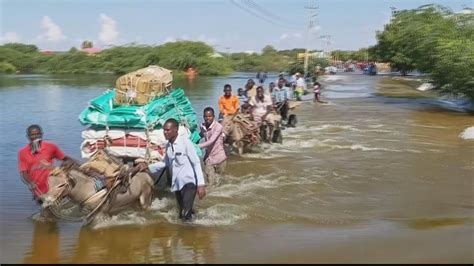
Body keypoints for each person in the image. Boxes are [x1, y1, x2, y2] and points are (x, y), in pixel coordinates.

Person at [135, 119, 206, 222]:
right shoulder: (168, 145)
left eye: (168, 130)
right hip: (177, 184)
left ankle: (189, 236)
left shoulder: (185, 142)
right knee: (182, 212)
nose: (165, 132)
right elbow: (165, 163)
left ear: (176, 130)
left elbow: (196, 162)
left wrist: (201, 184)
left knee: (185, 215)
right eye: (164, 130)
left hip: (189, 184)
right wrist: (148, 167)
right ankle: (196, 222)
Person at [18, 125, 74, 215]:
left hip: (52, 186)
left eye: (37, 134)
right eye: (32, 135)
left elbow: (66, 159)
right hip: (37, 188)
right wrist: (30, 183)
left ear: (42, 135)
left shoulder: (51, 147)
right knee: (45, 211)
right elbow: (23, 173)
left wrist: (65, 167)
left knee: (49, 212)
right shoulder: (23, 152)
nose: (35, 137)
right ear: (28, 137)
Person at [198, 107, 226, 187]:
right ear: (203, 117)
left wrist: (197, 146)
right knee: (210, 183)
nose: (207, 118)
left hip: (220, 158)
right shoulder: (202, 126)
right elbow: (201, 135)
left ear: (213, 116)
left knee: (220, 182)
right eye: (206, 116)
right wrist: (192, 140)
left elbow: (211, 141)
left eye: (209, 116)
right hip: (209, 159)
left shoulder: (218, 127)